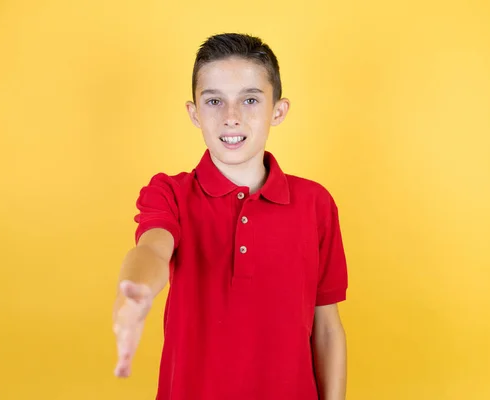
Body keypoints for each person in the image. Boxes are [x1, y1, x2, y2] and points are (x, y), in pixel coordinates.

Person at [111, 32, 349, 400]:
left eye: (250, 100)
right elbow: (153, 249)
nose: (231, 117)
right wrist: (137, 290)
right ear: (194, 113)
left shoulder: (316, 203)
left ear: (278, 110)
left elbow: (327, 328)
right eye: (214, 101)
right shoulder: (170, 192)